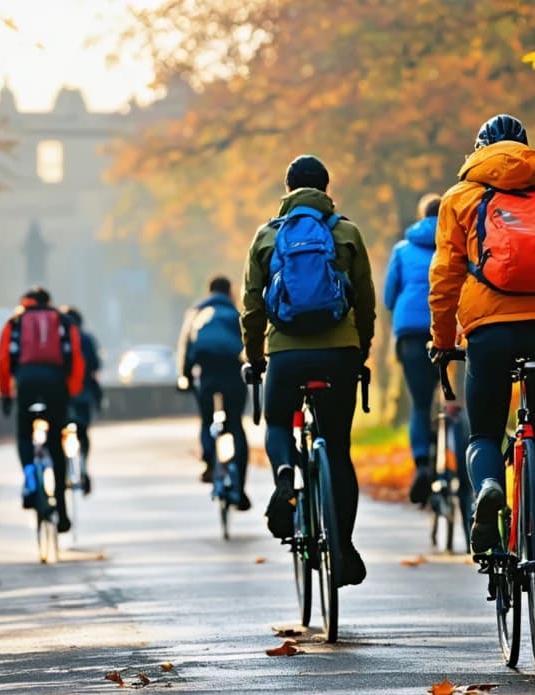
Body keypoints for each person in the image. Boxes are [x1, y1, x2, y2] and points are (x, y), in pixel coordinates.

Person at [429, 114, 535, 624]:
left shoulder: (459, 198)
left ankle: (489, 488)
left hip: (487, 331)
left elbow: (446, 275)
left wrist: (443, 341)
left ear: (478, 150)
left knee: (485, 433)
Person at [242, 154, 376, 586]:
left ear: (287, 189)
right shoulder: (348, 233)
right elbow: (366, 303)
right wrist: (361, 351)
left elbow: (252, 308)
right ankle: (344, 546)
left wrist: (256, 358)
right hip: (339, 353)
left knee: (279, 420)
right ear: (326, 187)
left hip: (285, 355)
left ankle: (285, 473)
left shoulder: (266, 237)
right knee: (337, 448)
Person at [0, 287, 85, 532]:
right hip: (55, 382)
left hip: (26, 381)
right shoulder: (63, 321)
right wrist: (72, 392)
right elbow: (76, 358)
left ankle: (30, 480)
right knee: (56, 442)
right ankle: (63, 512)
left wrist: (5, 394)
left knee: (25, 434)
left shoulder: (15, 321)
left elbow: (4, 360)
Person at [385, 193, 444, 504]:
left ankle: (422, 462)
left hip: (411, 333)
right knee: (454, 398)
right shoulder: (454, 241)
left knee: (420, 404)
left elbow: (387, 296)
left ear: (422, 216)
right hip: (450, 328)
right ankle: (456, 452)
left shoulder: (402, 249)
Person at [176, 275, 252, 510]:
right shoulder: (235, 313)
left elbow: (186, 346)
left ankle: (209, 462)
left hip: (207, 373)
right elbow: (248, 343)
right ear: (229, 292)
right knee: (236, 425)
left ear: (209, 291)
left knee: (207, 419)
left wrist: (185, 376)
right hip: (232, 371)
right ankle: (240, 488)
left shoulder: (197, 313)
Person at [60, 305, 101, 495]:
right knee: (82, 432)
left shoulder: (57, 339)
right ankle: (83, 465)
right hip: (83, 394)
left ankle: (65, 470)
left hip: (61, 396)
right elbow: (94, 367)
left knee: (59, 433)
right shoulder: (86, 339)